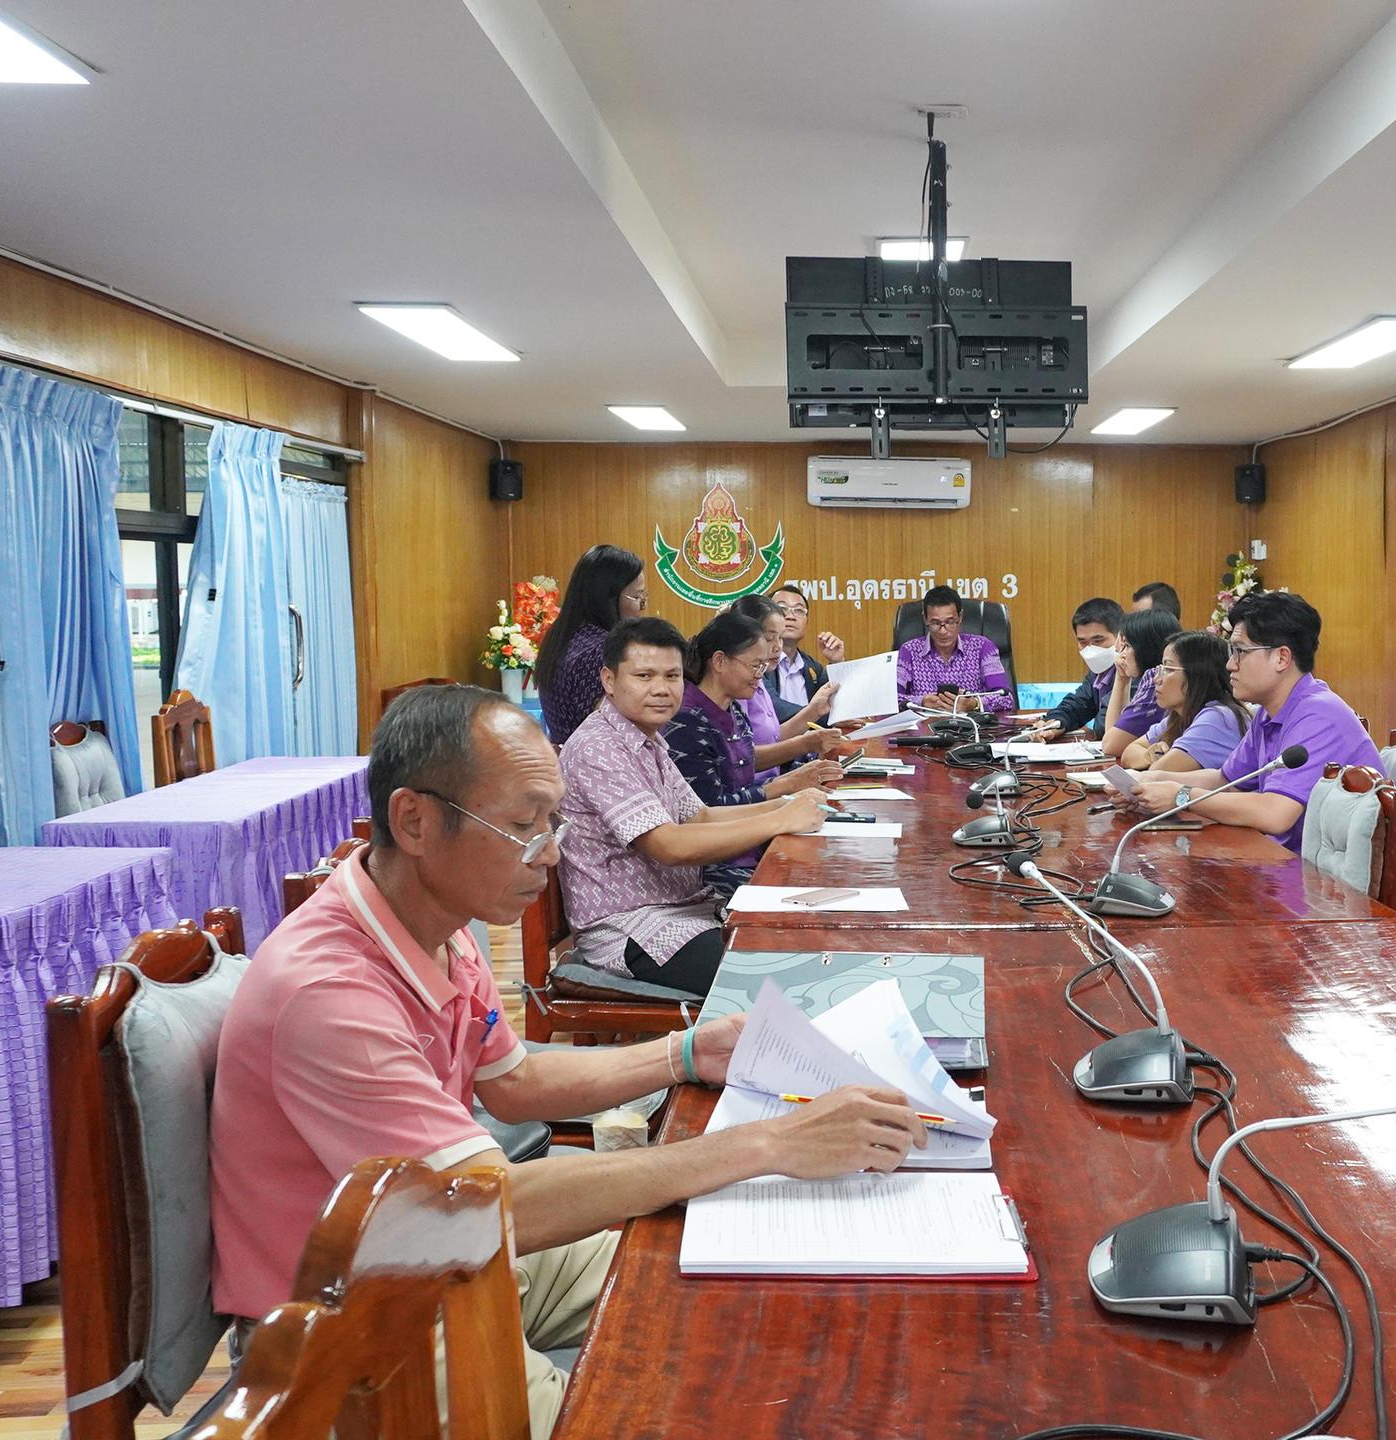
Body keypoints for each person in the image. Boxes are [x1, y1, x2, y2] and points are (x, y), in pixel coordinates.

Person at [210, 682, 926, 1440]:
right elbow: (482, 1206)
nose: (551, 851)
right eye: (524, 825)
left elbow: (514, 1084)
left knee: (716, 1279)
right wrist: (767, 1145)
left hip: (444, 1254)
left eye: (551, 819)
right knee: (642, 1410)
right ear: (414, 820)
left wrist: (684, 1052)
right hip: (354, 1324)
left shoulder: (433, 920)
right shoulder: (327, 992)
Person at [559, 617, 839, 990]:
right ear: (609, 681)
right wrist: (780, 819)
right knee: (781, 977)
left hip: (687, 909)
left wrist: (787, 803)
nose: (661, 689)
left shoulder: (648, 739)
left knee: (812, 937)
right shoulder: (599, 747)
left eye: (672, 676)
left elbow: (699, 815)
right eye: (644, 676)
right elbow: (669, 846)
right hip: (633, 928)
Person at [1128, 591, 1381, 850]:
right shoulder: (1269, 711)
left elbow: (1275, 813)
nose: (1229, 664)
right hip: (1277, 859)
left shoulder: (1318, 714)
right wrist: (1152, 780)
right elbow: (1226, 780)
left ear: (1282, 658)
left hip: (1319, 880)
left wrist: (1181, 796)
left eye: (1239, 652)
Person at [667, 611, 845, 898]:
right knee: (806, 897)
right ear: (720, 661)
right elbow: (710, 810)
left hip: (755, 840)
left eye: (764, 666)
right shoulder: (687, 720)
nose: (760, 675)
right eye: (754, 665)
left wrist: (796, 781)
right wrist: (784, 788)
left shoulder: (734, 707)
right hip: (717, 863)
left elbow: (745, 764)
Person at [536, 545, 648, 747]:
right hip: (599, 768)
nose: (642, 607)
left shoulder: (562, 636)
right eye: (637, 597)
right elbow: (618, 731)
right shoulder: (601, 651)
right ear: (607, 597)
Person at [728, 593, 845, 779]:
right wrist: (805, 744)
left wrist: (814, 711)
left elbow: (775, 737)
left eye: (780, 638)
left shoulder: (809, 667)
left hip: (774, 783)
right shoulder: (736, 686)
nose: (777, 647)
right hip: (756, 794)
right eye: (769, 638)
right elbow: (741, 759)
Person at [1119, 629, 1248, 772]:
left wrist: (1152, 761)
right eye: (1161, 668)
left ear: (1198, 675)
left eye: (1168, 669)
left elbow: (1158, 772)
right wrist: (1148, 756)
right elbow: (1128, 753)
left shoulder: (1218, 718)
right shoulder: (1180, 715)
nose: (1157, 679)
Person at [896, 585, 1014, 714]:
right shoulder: (909, 651)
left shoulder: (982, 648)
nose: (943, 631)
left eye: (950, 622)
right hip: (924, 731)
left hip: (973, 729)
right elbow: (891, 701)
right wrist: (921, 702)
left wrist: (974, 704)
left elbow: (1006, 698)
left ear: (960, 617)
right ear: (925, 619)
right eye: (935, 623)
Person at [1027, 597, 1123, 740]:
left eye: (1098, 641)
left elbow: (1105, 728)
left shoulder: (1133, 672)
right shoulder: (1098, 673)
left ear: (1121, 637)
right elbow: (1077, 705)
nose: (1091, 649)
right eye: (1083, 642)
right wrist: (1054, 724)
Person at [1099, 607, 1182, 758]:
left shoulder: (1155, 680)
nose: (1121, 654)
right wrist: (1122, 678)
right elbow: (1113, 734)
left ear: (1146, 648)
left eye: (1128, 646)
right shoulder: (1154, 677)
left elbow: (1110, 746)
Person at [765, 583, 844, 709]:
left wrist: (836, 661)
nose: (790, 616)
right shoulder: (760, 663)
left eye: (799, 610)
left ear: (806, 621)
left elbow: (832, 702)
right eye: (781, 609)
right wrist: (821, 716)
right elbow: (774, 709)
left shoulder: (812, 667)